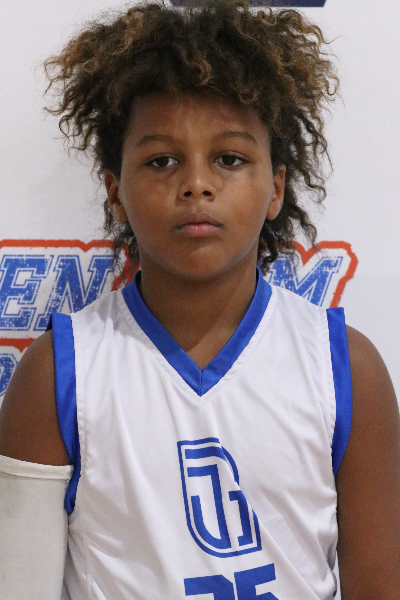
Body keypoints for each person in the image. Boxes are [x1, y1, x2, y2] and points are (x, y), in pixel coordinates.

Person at [0, 1, 399, 598]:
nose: (196, 184)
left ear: (275, 187)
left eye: (229, 159)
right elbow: (18, 587)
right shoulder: (58, 374)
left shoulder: (346, 369)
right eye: (162, 161)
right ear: (116, 192)